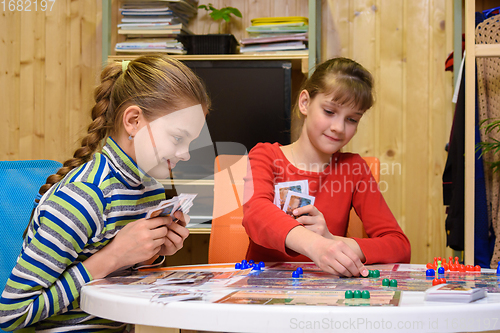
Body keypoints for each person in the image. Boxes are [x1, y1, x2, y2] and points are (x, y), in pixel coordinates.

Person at [0, 55, 210, 332]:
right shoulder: (83, 197)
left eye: (190, 142)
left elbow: (120, 283)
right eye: (177, 138)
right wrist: (113, 256)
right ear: (133, 121)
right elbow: (11, 314)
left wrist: (151, 253)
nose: (185, 155)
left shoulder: (150, 191)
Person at [242, 57, 411, 277]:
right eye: (329, 112)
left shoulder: (353, 168)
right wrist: (315, 245)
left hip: (326, 298)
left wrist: (331, 241)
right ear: (305, 103)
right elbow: (256, 214)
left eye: (352, 119)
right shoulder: (265, 155)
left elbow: (399, 246)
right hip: (264, 294)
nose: (339, 128)